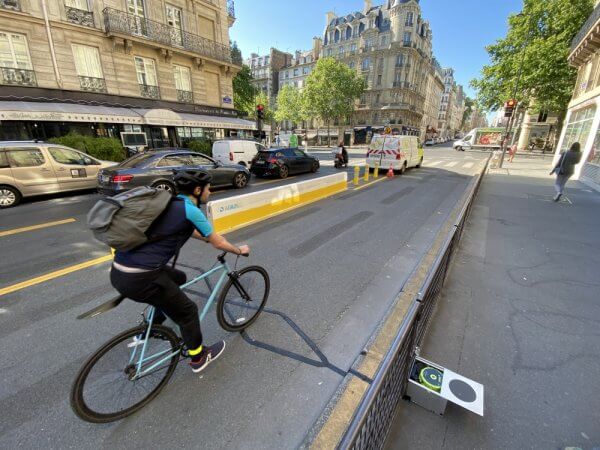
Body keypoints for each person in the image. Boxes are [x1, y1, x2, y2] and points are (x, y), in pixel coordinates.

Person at [110, 170, 250, 373]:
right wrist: (239, 250)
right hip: (142, 278)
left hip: (120, 271)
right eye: (208, 188)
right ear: (197, 189)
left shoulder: (169, 202)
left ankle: (153, 326)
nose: (210, 192)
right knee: (188, 312)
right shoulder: (191, 210)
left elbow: (182, 229)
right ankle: (198, 357)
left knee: (179, 277)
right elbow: (218, 243)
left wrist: (208, 237)